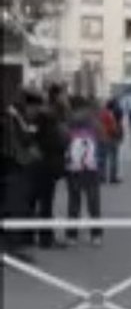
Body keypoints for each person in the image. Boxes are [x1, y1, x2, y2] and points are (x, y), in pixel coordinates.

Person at [3, 90, 40, 261]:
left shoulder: (13, 116)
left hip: (13, 167)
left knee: (14, 209)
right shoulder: (11, 117)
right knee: (15, 209)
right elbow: (24, 138)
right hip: (13, 168)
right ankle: (11, 250)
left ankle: (11, 248)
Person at [32, 83, 69, 248]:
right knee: (46, 201)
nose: (65, 97)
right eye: (63, 94)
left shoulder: (46, 113)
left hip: (45, 161)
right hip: (48, 163)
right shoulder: (52, 115)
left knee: (44, 201)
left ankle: (43, 236)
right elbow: (59, 141)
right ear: (58, 95)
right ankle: (45, 238)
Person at [64, 96, 104, 245]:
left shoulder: (68, 121)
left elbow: (64, 141)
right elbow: (102, 139)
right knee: (93, 202)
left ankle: (71, 235)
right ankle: (96, 235)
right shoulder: (94, 121)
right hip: (91, 166)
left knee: (74, 201)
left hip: (73, 167)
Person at [98, 99, 122, 184]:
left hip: (100, 138)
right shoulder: (110, 115)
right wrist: (117, 133)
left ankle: (101, 177)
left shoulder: (101, 113)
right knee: (113, 158)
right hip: (110, 138)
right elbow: (113, 128)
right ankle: (113, 177)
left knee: (101, 158)